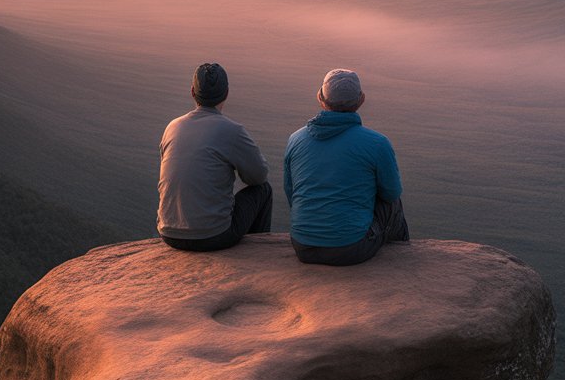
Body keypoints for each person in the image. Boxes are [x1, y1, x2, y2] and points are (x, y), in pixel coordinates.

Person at [284, 68, 409, 266]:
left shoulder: (295, 139)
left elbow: (291, 193)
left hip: (302, 246)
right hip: (350, 248)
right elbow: (392, 193)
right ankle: (405, 261)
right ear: (361, 100)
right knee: (392, 203)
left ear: (320, 98)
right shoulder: (377, 143)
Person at [157, 63, 272, 251]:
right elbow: (258, 176)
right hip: (213, 236)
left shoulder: (172, 127)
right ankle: (256, 252)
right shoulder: (232, 131)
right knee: (263, 190)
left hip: (169, 233)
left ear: (193, 92)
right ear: (226, 93)